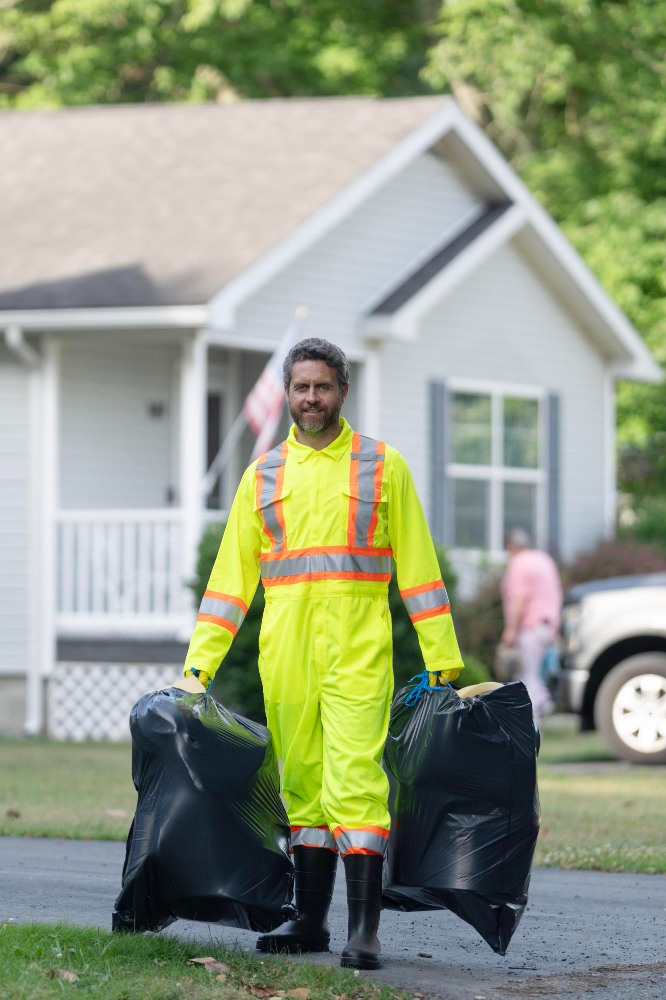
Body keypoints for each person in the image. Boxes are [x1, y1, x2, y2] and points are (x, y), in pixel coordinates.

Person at [183, 337, 464, 969]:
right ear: (287, 393)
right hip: (285, 651)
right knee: (301, 783)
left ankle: (364, 931)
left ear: (343, 391)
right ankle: (308, 921)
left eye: (323, 387)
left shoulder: (381, 465)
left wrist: (440, 655)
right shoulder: (262, 475)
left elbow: (418, 570)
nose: (312, 398)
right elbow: (231, 581)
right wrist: (200, 667)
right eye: (301, 387)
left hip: (358, 650)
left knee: (356, 781)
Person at [500, 527, 563, 719]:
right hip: (548, 627)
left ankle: (532, 721)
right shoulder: (544, 560)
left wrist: (510, 630)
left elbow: (518, 599)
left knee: (526, 677)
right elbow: (557, 593)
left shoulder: (518, 563)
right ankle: (543, 701)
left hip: (530, 628)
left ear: (511, 547)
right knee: (534, 673)